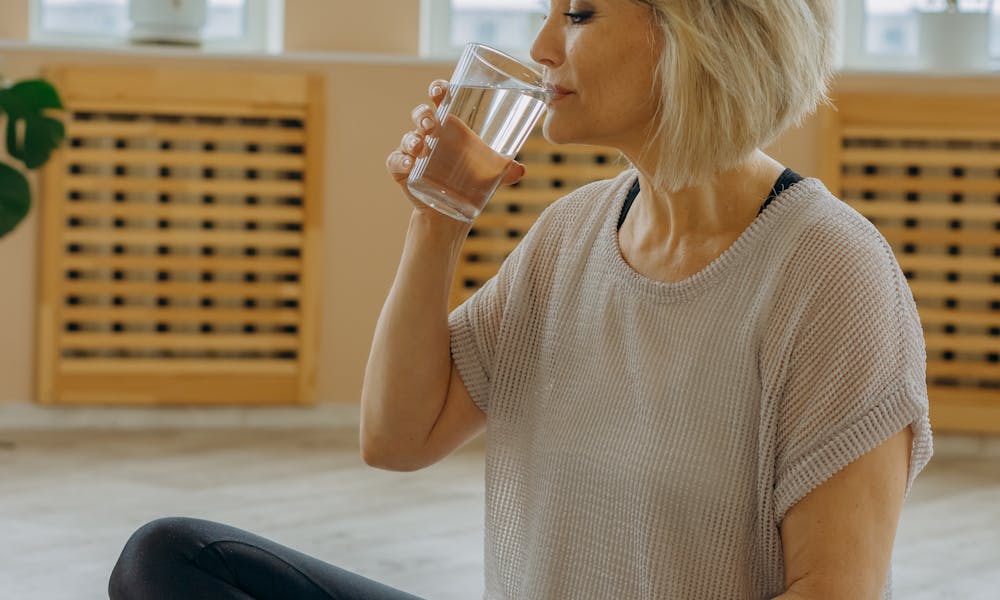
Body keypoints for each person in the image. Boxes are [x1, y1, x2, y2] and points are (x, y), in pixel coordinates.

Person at [108, 1, 933, 599]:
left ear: (697, 33)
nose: (540, 46)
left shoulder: (832, 273)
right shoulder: (572, 235)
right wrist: (438, 223)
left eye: (578, 14)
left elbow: (838, 592)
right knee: (170, 563)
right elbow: (398, 438)